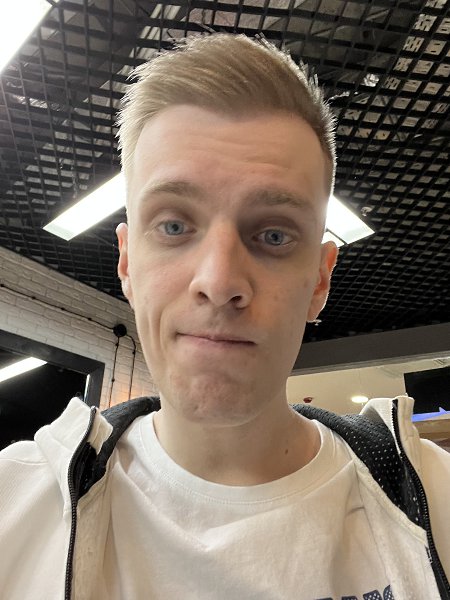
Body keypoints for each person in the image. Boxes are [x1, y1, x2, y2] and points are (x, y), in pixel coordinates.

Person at [0, 34, 449, 600]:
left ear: (319, 280)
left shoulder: (437, 503)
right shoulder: (14, 506)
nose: (218, 282)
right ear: (127, 264)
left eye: (274, 235)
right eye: (173, 226)